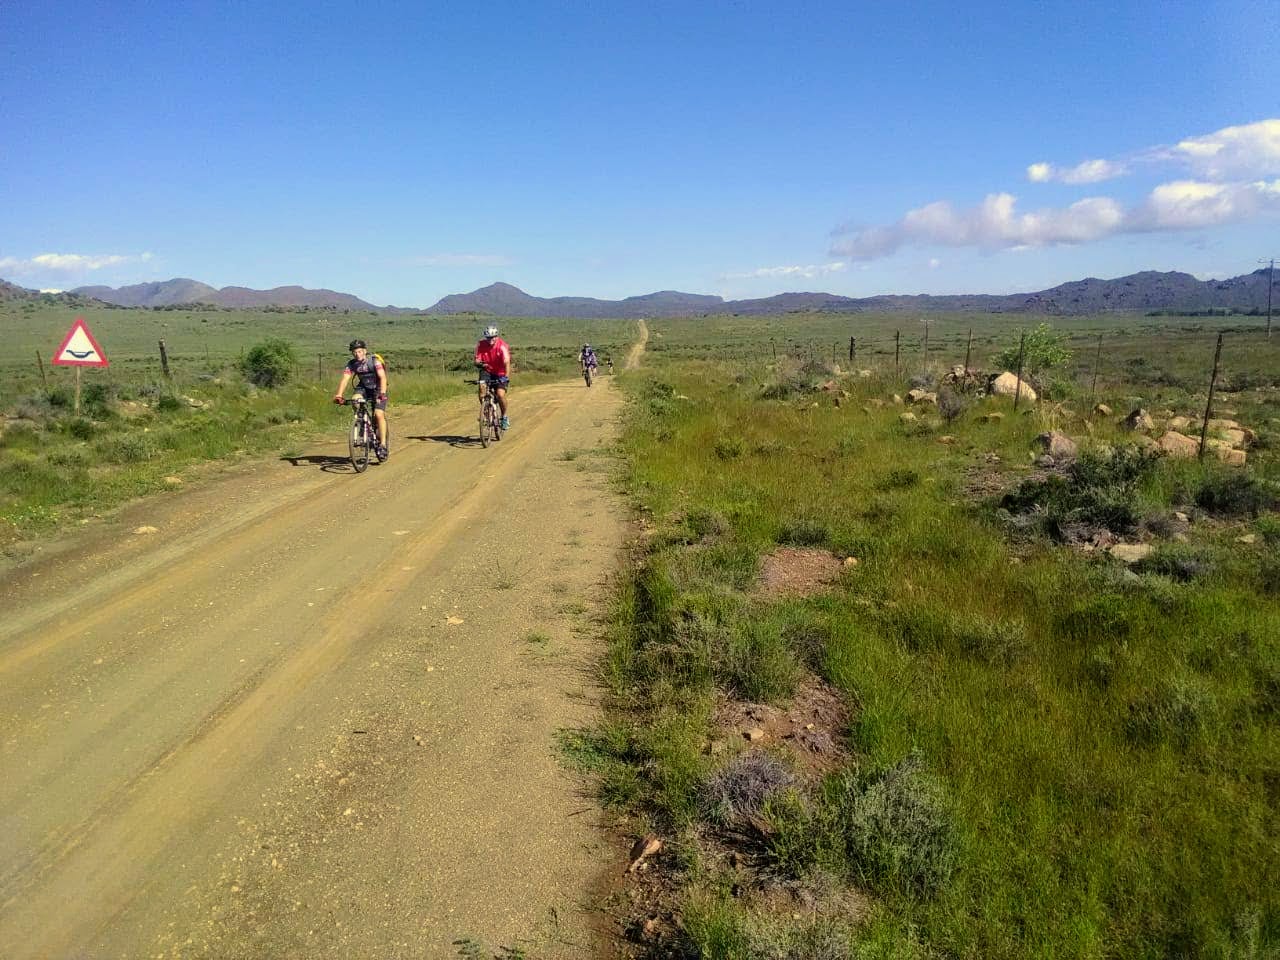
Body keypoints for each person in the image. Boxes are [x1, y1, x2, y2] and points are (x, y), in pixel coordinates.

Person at [333, 339, 388, 460]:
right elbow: (345, 379)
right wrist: (339, 395)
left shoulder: (375, 361)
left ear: (364, 351)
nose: (357, 354)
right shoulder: (352, 364)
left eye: (359, 351)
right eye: (354, 352)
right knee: (355, 400)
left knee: (379, 414)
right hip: (363, 387)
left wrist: (382, 394)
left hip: (378, 388)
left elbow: (383, 377)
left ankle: (383, 445)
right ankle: (361, 421)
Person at [474, 324, 511, 430]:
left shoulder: (502, 346)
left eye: (493, 337)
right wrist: (480, 364)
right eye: (488, 337)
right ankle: (486, 413)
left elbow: (507, 363)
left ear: (496, 336)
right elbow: (476, 360)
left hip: (501, 372)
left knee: (500, 394)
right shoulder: (480, 345)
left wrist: (506, 377)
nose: (490, 339)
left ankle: (504, 417)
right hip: (487, 370)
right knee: (482, 390)